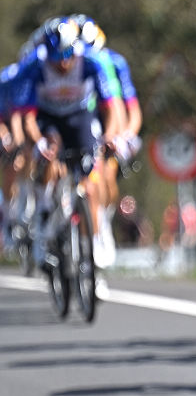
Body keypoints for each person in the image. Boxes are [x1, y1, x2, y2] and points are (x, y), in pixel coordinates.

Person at [12, 16, 125, 277]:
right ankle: (42, 221)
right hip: (46, 117)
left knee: (91, 177)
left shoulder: (92, 61)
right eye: (56, 57)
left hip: (78, 116)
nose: (62, 63)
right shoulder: (35, 67)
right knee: (49, 152)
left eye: (67, 56)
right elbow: (26, 117)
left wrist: (110, 136)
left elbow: (112, 106)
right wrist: (38, 142)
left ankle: (93, 246)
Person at [74, 14, 143, 271]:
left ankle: (102, 221)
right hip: (83, 120)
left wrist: (122, 136)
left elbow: (127, 108)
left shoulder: (114, 63)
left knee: (107, 174)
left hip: (111, 122)